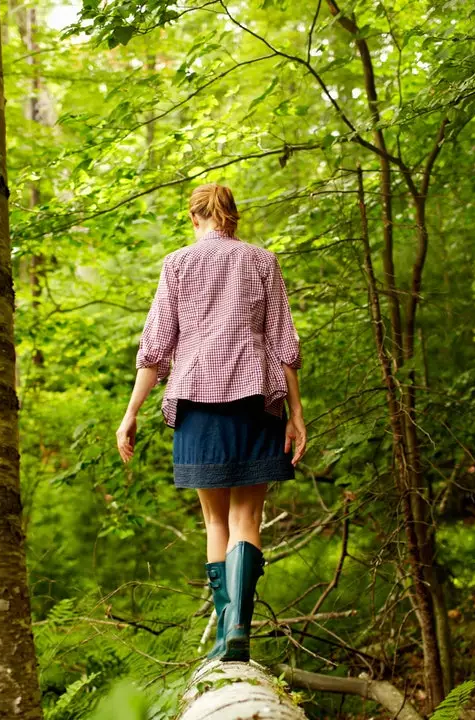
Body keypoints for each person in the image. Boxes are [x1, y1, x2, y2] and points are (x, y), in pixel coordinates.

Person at [116, 183, 306, 663]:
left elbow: (155, 349)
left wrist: (131, 413)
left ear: (193, 218)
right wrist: (297, 415)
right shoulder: (263, 262)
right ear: (234, 219)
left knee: (215, 519)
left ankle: (225, 633)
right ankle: (241, 627)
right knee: (247, 517)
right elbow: (285, 344)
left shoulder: (177, 264)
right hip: (256, 401)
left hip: (197, 401)